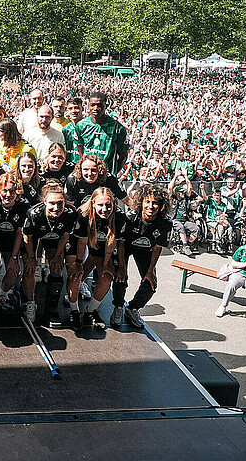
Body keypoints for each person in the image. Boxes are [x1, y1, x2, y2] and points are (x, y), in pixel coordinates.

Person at [113, 184, 171, 329]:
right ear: (141, 202)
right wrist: (121, 267)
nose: (151, 206)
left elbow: (158, 247)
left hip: (146, 250)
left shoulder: (165, 223)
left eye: (155, 203)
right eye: (147, 202)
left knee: (150, 284)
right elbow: (120, 243)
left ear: (161, 205)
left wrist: (150, 271)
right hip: (125, 247)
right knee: (120, 278)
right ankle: (118, 307)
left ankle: (132, 308)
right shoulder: (129, 218)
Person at [69, 186, 125, 330]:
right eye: (100, 205)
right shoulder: (83, 214)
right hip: (79, 242)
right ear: (93, 203)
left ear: (114, 204)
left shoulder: (119, 217)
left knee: (106, 277)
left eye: (108, 205)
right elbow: (81, 243)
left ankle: (90, 311)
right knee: (76, 274)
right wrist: (79, 263)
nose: (104, 209)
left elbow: (112, 244)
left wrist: (106, 264)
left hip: (102, 243)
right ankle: (74, 311)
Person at [23, 182, 77, 324]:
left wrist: (57, 256)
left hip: (57, 238)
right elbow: (27, 237)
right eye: (52, 203)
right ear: (44, 202)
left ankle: (51, 309)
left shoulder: (71, 213)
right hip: (36, 236)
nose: (56, 208)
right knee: (29, 268)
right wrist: (31, 258)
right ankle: (29, 303)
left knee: (57, 268)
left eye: (60, 203)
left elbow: (65, 236)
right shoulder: (34, 213)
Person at [0, 173, 29, 311]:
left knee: (13, 272)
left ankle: (3, 295)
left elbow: (19, 233)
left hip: (12, 242)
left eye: (12, 191)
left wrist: (13, 257)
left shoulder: (23, 206)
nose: (8, 194)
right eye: (4, 190)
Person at [73, 93, 128, 176]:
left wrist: (114, 172)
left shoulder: (117, 127)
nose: (96, 108)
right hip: (88, 174)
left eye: (99, 105)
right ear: (88, 106)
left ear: (106, 105)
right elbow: (80, 149)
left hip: (107, 175)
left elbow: (123, 154)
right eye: (93, 105)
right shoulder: (81, 125)